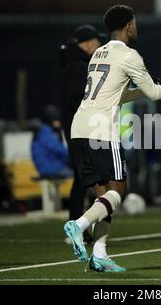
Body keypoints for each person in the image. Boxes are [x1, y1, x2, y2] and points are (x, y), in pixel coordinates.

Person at [63, 4, 161, 272]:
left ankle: (99, 254)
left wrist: (142, 91)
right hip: (101, 131)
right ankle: (79, 225)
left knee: (104, 197)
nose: (137, 27)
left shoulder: (99, 52)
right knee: (118, 191)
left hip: (79, 128)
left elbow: (116, 94)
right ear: (129, 26)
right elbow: (157, 93)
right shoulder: (130, 55)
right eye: (135, 22)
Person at [60, 25, 104, 223]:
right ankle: (77, 225)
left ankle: (77, 224)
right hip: (79, 129)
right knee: (84, 176)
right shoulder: (78, 66)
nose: (100, 45)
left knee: (82, 177)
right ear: (86, 44)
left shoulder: (72, 63)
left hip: (76, 127)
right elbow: (75, 99)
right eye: (96, 41)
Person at [31, 104, 72, 179]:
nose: (59, 122)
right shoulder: (45, 132)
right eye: (56, 119)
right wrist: (74, 156)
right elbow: (60, 150)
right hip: (51, 168)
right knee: (82, 175)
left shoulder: (42, 131)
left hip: (49, 166)